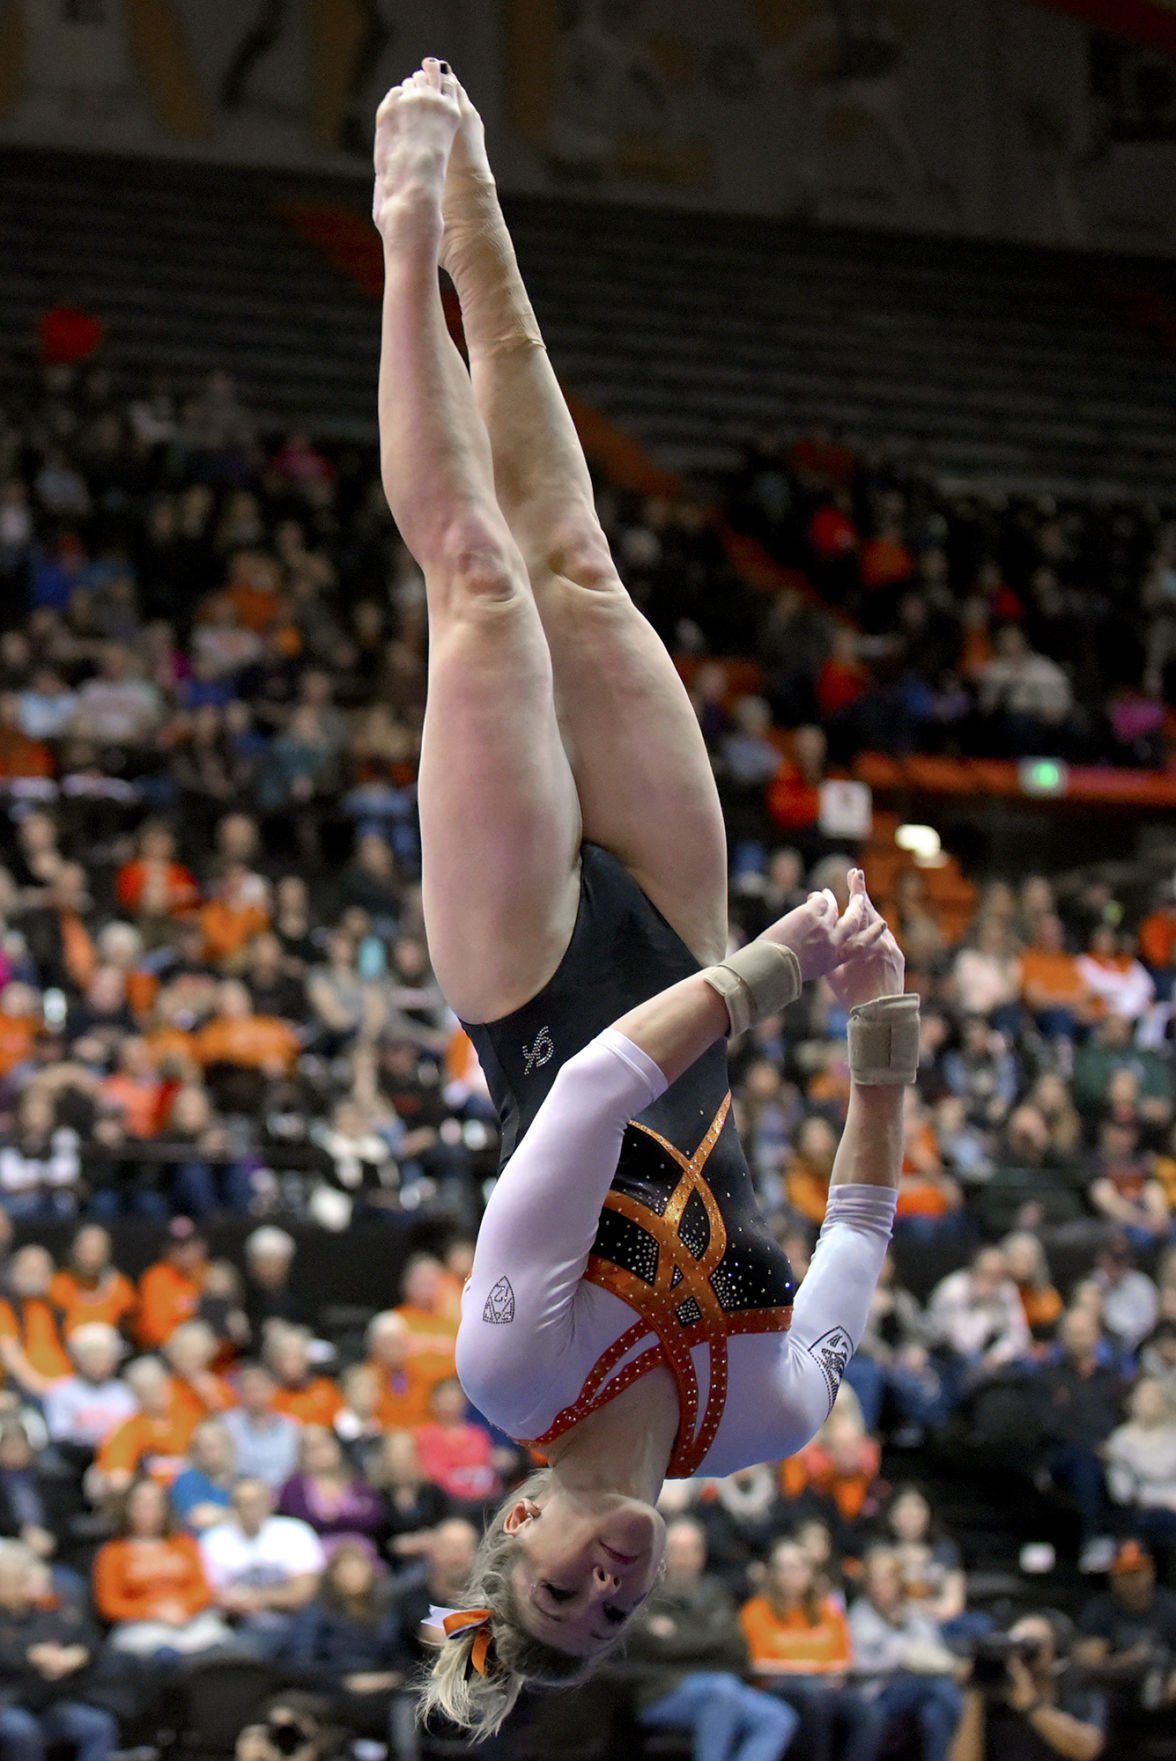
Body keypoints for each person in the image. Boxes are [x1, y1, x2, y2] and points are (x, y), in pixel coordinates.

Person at [372, 61, 914, 1739]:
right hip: (690, 951)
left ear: (512, 1523)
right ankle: (476, 195)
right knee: (581, 560)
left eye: (555, 1592)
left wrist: (764, 977)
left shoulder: (514, 1371)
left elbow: (599, 1095)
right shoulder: (761, 1419)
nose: (608, 1588)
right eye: (616, 1619)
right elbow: (859, 1230)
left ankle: (409, 234)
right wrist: (881, 1032)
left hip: (536, 980)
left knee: (480, 583)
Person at [621, 1518, 799, 1761]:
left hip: (722, 1686)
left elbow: (737, 1644)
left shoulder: (716, 1593)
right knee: (722, 1690)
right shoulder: (645, 1595)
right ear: (663, 1555)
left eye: (689, 1551)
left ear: (701, 1555)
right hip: (660, 1691)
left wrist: (680, 1637)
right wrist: (710, 1638)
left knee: (778, 1717)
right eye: (676, 1551)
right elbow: (657, 1645)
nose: (683, 1559)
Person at [740, 1536, 883, 1761]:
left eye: (797, 1567)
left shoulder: (827, 1610)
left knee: (868, 1713)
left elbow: (844, 1660)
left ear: (810, 1572)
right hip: (780, 1688)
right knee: (813, 1697)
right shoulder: (755, 1612)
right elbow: (759, 1665)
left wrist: (824, 1673)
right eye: (783, 1568)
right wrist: (810, 1670)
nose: (790, 1575)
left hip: (827, 1685)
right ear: (772, 1573)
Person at [0, 1539, 118, 1761]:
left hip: (45, 1703)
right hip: (7, 1704)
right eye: (23, 1579)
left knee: (98, 1725)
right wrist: (30, 1656)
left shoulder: (46, 1609)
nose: (33, 1584)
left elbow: (85, 1638)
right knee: (22, 1731)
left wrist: (77, 1655)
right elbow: (11, 1654)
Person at [847, 1547, 964, 1761]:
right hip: (878, 1692)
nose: (879, 1587)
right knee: (938, 1686)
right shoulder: (860, 1615)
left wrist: (916, 1658)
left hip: (919, 1691)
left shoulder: (914, 1613)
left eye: (886, 1580)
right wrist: (906, 1658)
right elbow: (860, 1665)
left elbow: (933, 1650)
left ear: (899, 1581)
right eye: (874, 1581)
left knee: (935, 1715)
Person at [93, 1477, 231, 1657]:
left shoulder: (185, 1544)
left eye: (155, 1503)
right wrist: (153, 1611)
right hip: (141, 1626)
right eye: (141, 1502)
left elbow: (203, 1588)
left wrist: (183, 1608)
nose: (147, 1510)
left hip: (189, 1620)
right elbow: (110, 1604)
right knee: (163, 1656)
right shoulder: (112, 1553)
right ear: (127, 1507)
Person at [199, 1477, 324, 1659]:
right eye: (241, 1503)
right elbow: (213, 1594)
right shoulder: (214, 1539)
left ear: (270, 1502)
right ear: (232, 1507)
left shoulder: (295, 1532)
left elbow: (302, 1593)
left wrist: (255, 1598)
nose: (249, 1510)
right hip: (239, 1625)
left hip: (295, 1622)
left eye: (255, 1502)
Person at [979, 1612, 1106, 1761]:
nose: (1023, 1654)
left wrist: (1031, 1705)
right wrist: (974, 1694)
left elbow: (1088, 1749)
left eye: (1034, 1645)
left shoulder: (1076, 1686)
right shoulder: (993, 1697)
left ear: (1056, 1652)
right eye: (1016, 1644)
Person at [222, 1360, 301, 1490]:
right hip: (239, 1494)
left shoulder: (292, 1427)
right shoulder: (226, 1425)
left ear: (272, 1389)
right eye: (247, 1390)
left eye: (258, 1389)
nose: (253, 1396)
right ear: (237, 1393)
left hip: (283, 1497)